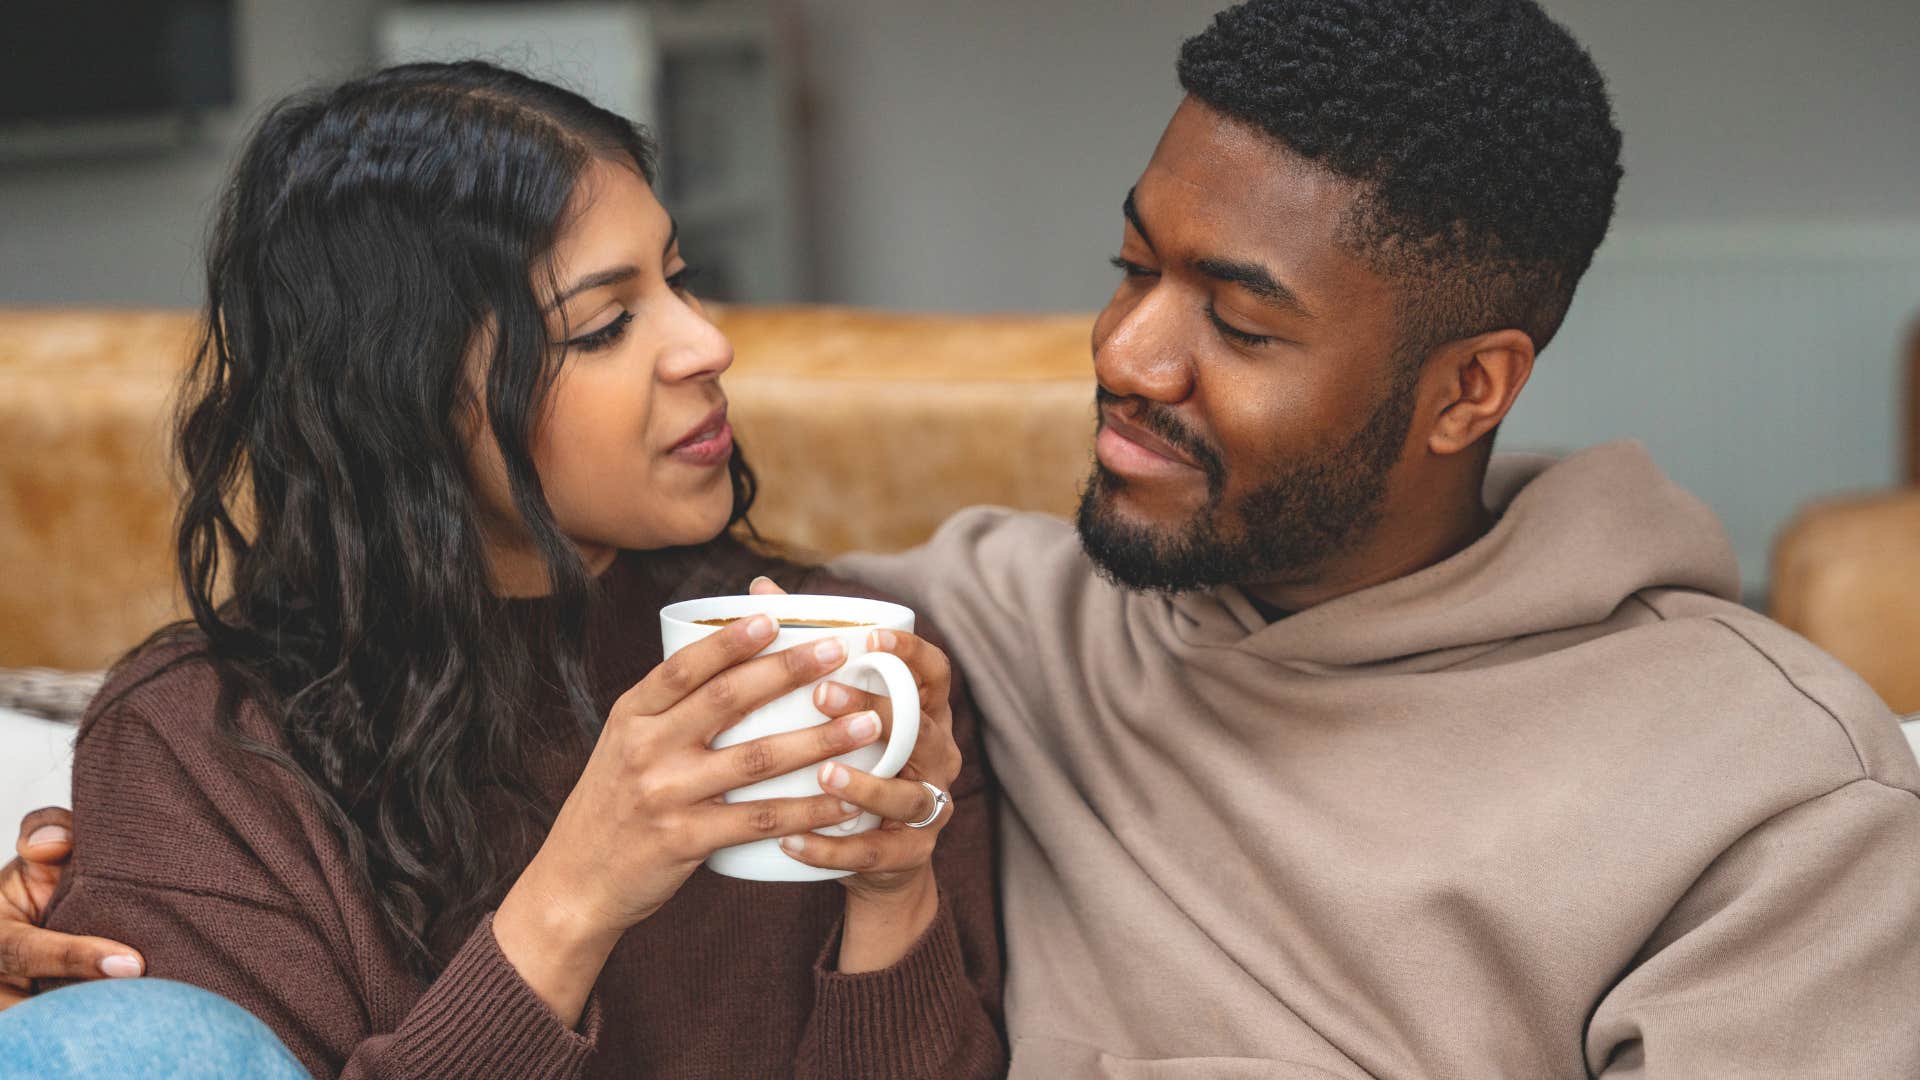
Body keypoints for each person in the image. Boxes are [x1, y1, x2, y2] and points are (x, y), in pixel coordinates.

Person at [10, 0, 1920, 1076]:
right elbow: (350, 689)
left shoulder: (1772, 791)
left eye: (1237, 324)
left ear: (1465, 389)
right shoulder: (991, 618)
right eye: (1127, 267)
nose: (1124, 358)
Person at [0, 61, 1002, 1079]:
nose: (709, 343)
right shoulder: (199, 753)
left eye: (681, 277)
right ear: (404, 403)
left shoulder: (849, 654)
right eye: (605, 325)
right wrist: (581, 891)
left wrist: (896, 897)